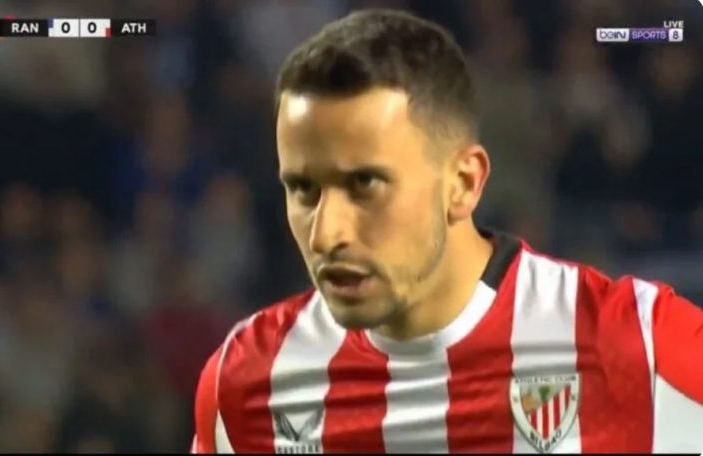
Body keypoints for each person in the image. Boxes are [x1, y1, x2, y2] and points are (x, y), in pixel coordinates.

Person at [191, 9, 703, 454]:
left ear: (464, 183)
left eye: (366, 184)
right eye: (303, 189)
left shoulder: (637, 346)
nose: (327, 233)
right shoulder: (247, 380)